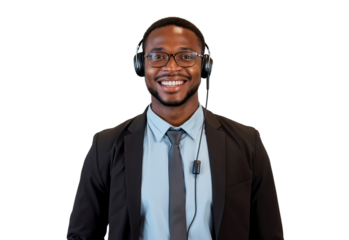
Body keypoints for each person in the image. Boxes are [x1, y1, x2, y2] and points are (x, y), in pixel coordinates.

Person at [64, 16, 286, 240]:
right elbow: (80, 236)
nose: (171, 68)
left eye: (186, 56)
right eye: (158, 56)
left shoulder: (249, 143)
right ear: (140, 65)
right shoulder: (105, 145)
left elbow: (271, 235)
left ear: (206, 65)